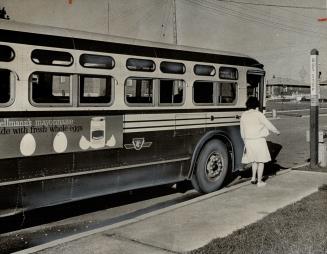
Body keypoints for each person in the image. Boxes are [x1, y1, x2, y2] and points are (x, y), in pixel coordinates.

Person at [240, 97, 280, 187]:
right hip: (258, 140)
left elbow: (242, 131)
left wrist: (245, 140)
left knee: (254, 161)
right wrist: (276, 131)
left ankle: (253, 178)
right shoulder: (258, 114)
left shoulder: (244, 115)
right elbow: (267, 124)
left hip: (248, 141)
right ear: (256, 105)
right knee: (261, 161)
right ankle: (259, 182)